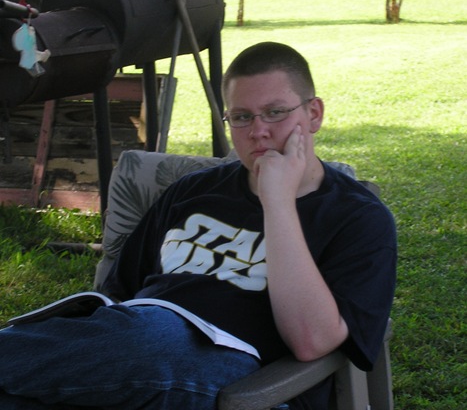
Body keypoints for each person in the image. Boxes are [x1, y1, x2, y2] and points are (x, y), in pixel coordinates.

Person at [0, 42, 397, 409]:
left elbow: (312, 342)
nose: (257, 130)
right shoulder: (191, 192)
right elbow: (118, 299)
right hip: (139, 363)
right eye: (241, 117)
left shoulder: (358, 217)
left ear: (314, 114)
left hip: (248, 383)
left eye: (275, 112)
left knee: (156, 336)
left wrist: (277, 201)